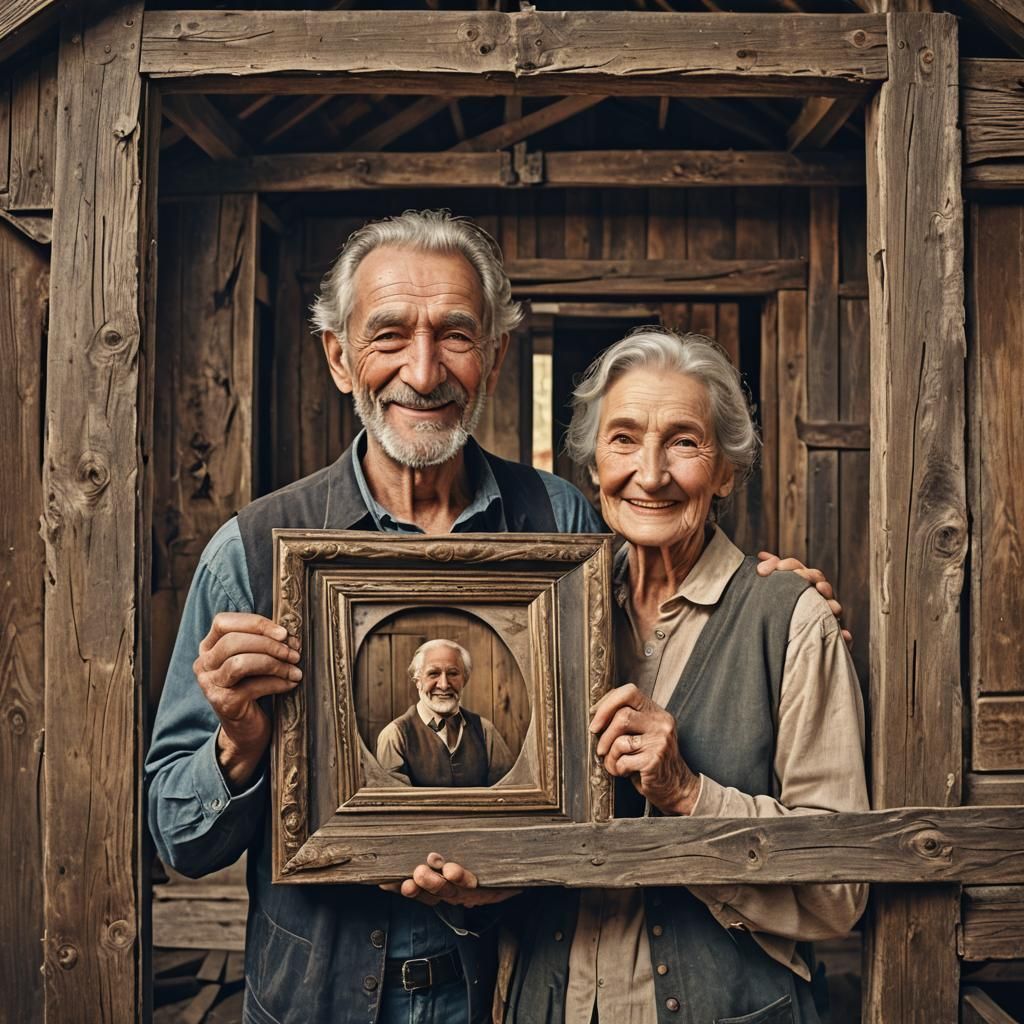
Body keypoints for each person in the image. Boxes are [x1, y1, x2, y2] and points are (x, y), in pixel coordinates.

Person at [145, 210, 843, 1024]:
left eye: (456, 335)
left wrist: (780, 597)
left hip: (503, 993)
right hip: (316, 999)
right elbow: (178, 839)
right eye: (389, 335)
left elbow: (658, 643)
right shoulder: (252, 550)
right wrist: (238, 747)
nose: (424, 368)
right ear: (339, 358)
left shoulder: (561, 524)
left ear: (496, 355)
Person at [396, 328, 868, 1024]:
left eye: (683, 441)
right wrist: (483, 878)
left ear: (728, 470)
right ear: (592, 468)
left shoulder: (791, 620)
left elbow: (841, 891)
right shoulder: (545, 610)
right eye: (623, 440)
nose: (650, 474)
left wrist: (689, 793)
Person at [376, 638, 515, 787]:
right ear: (417, 681)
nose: (444, 685)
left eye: (453, 673)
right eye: (433, 673)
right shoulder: (395, 735)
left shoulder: (485, 730)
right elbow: (396, 804)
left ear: (465, 680)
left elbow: (508, 790)